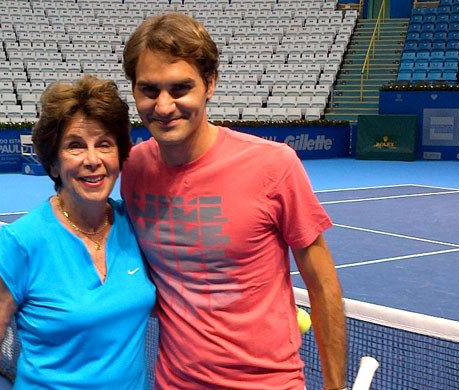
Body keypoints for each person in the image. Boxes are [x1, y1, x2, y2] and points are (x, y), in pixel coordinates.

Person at [121, 12, 347, 390]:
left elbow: (323, 285)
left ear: (210, 84)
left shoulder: (274, 165)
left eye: (180, 89)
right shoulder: (134, 169)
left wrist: (335, 386)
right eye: (149, 90)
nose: (163, 106)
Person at [0, 75, 156, 390]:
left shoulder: (136, 226)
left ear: (120, 157)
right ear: (53, 163)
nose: (92, 160)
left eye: (104, 144)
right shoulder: (18, 244)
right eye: (75, 146)